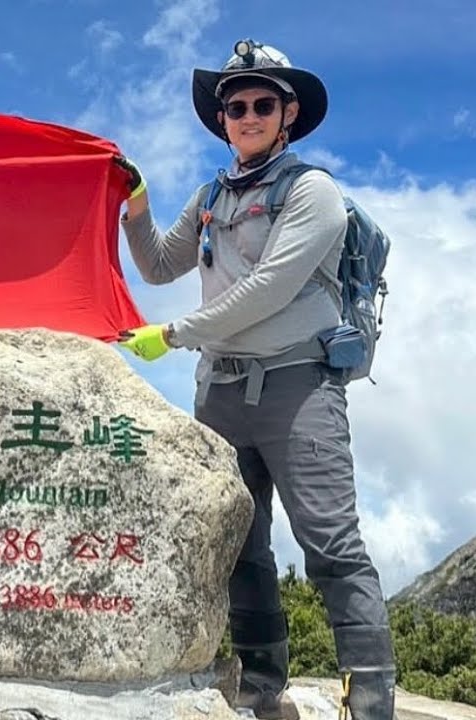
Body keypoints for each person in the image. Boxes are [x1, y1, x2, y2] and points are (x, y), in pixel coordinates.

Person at [112, 41, 396, 720]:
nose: (246, 115)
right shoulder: (211, 194)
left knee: (330, 543)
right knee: (240, 543)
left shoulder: (314, 193)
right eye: (234, 106)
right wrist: (137, 203)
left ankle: (373, 699)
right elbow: (156, 265)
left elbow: (270, 289)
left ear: (288, 112)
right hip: (221, 392)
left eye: (261, 103)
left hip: (300, 388)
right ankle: (262, 689)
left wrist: (174, 334)